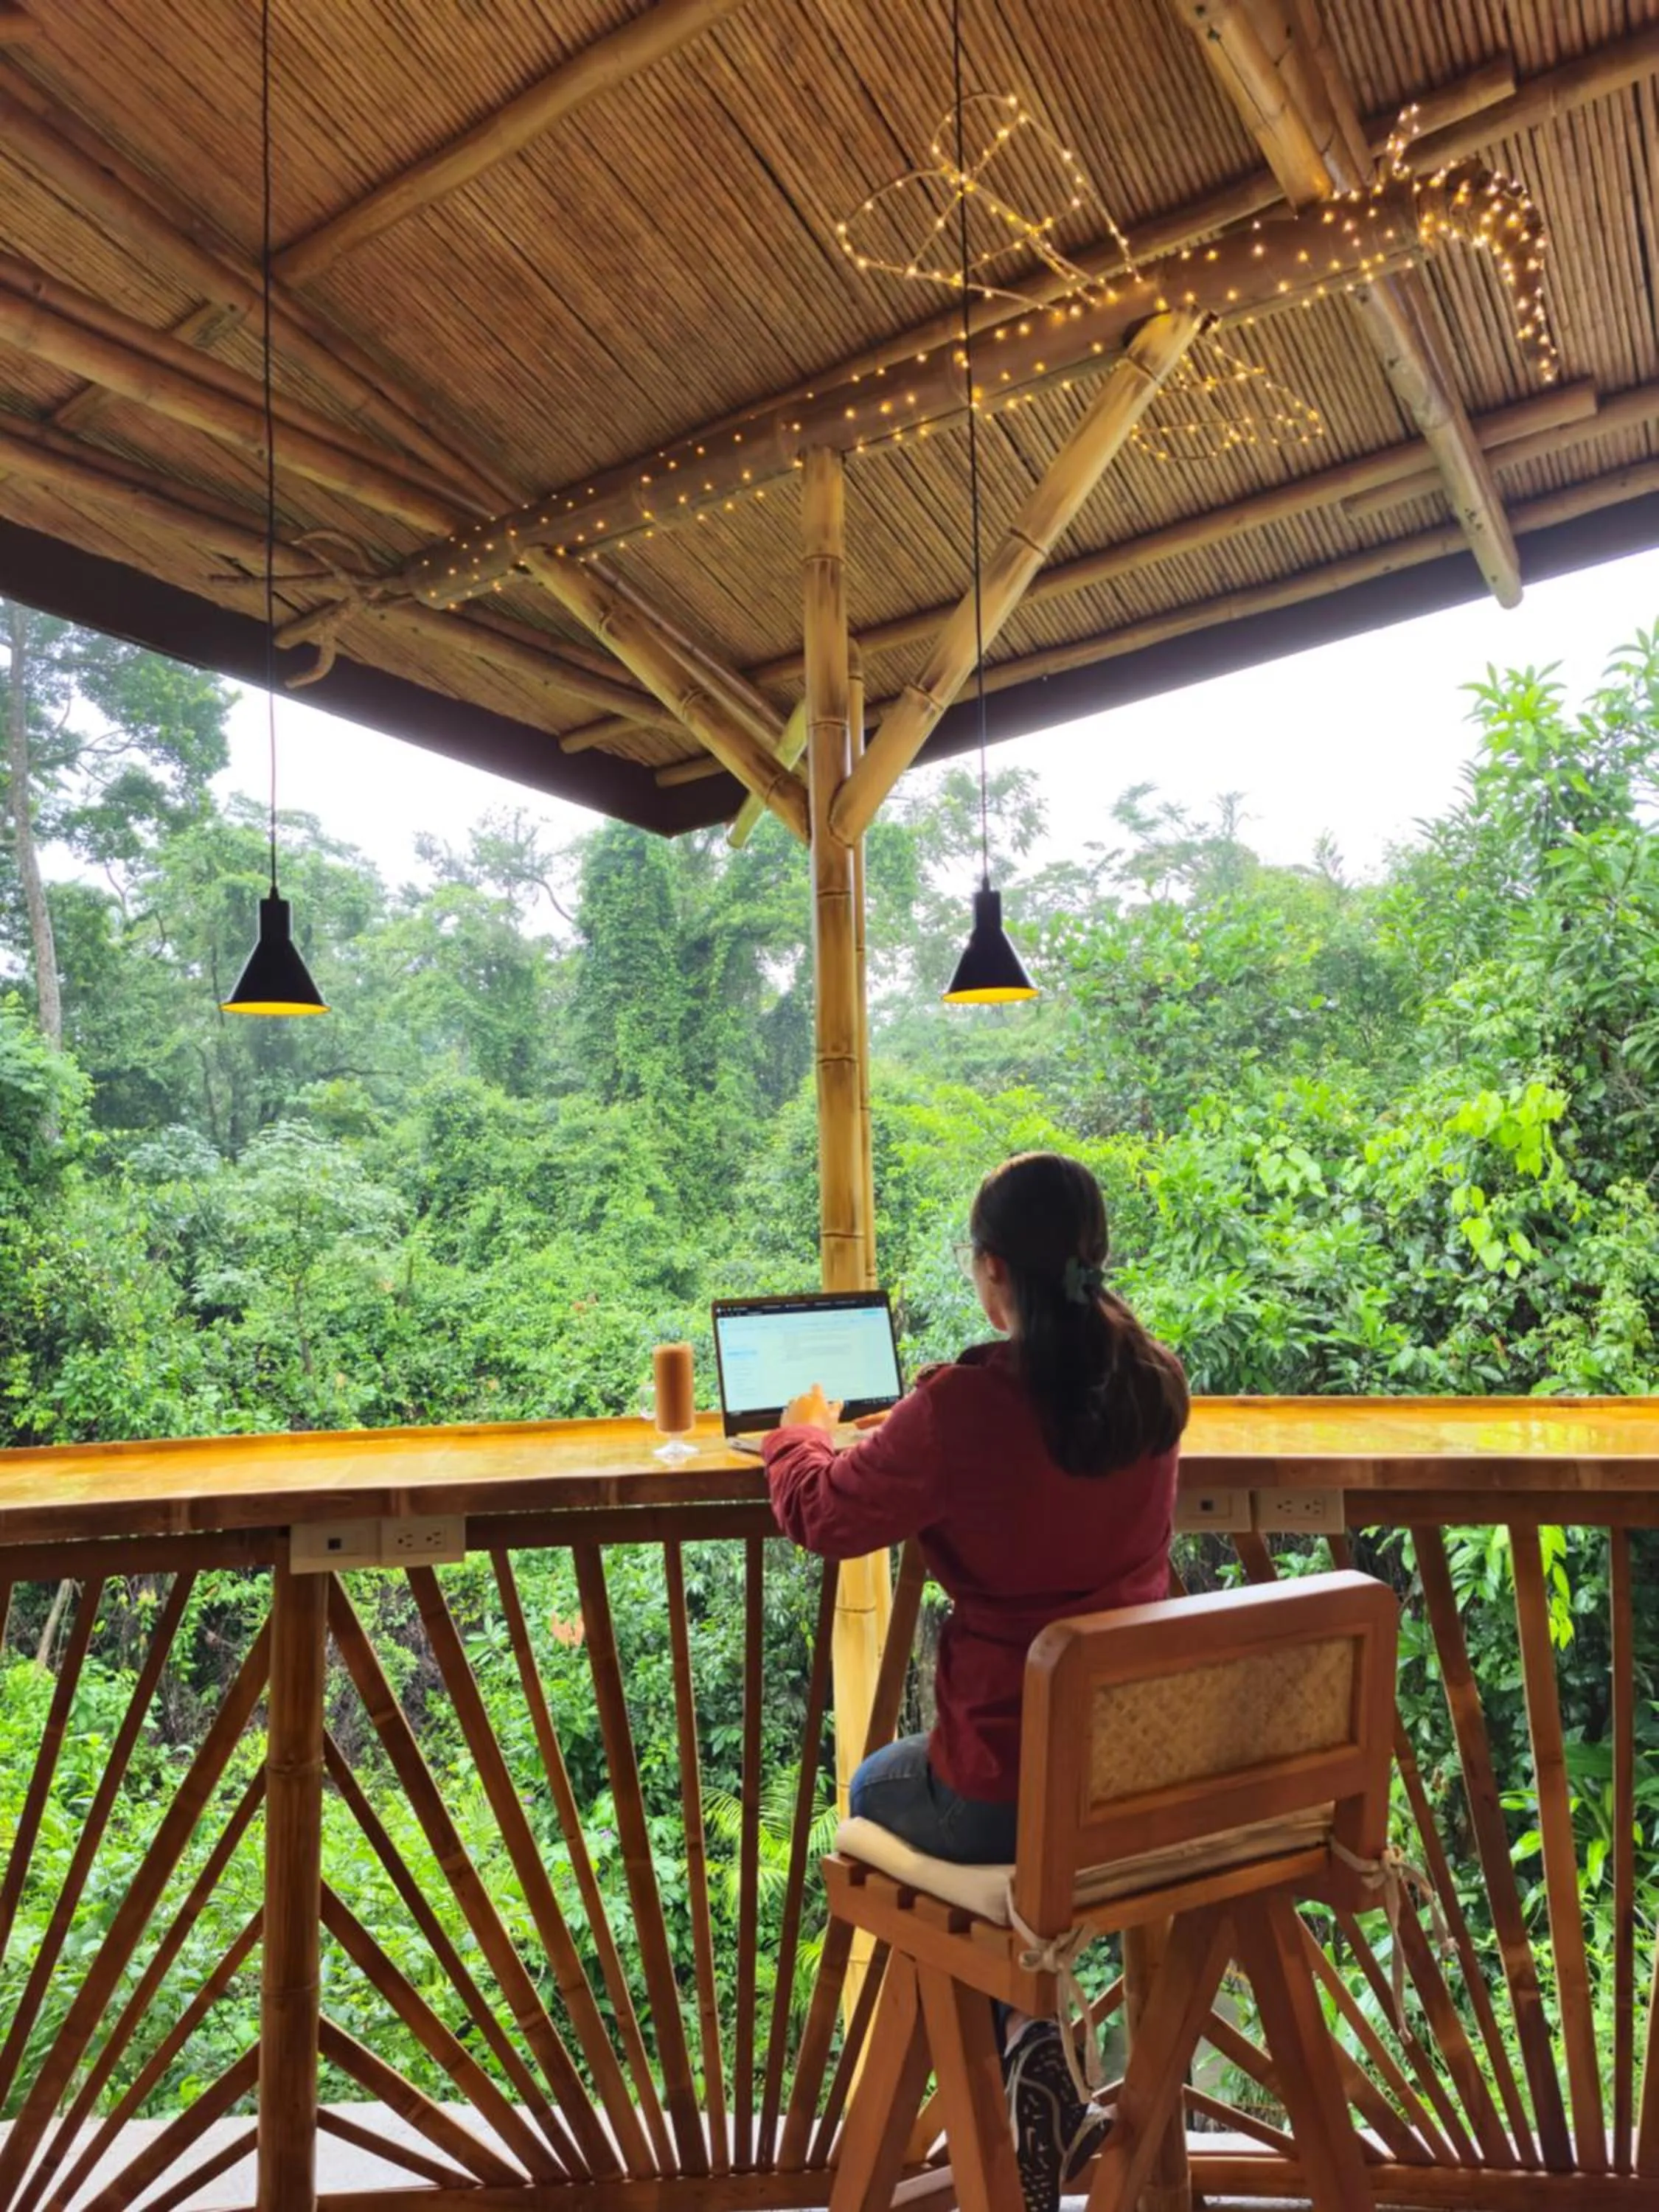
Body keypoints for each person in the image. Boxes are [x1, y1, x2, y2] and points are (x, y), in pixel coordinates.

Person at [764, 1152, 1189, 2212]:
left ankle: (1008, 2077)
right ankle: (1031, 2052)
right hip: (1139, 1779)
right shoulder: (1152, 1380)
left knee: (872, 1791)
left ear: (991, 1269)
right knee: (924, 1794)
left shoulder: (960, 1408)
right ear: (1092, 1256)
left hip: (1009, 1784)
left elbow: (821, 1513)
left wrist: (799, 1434)